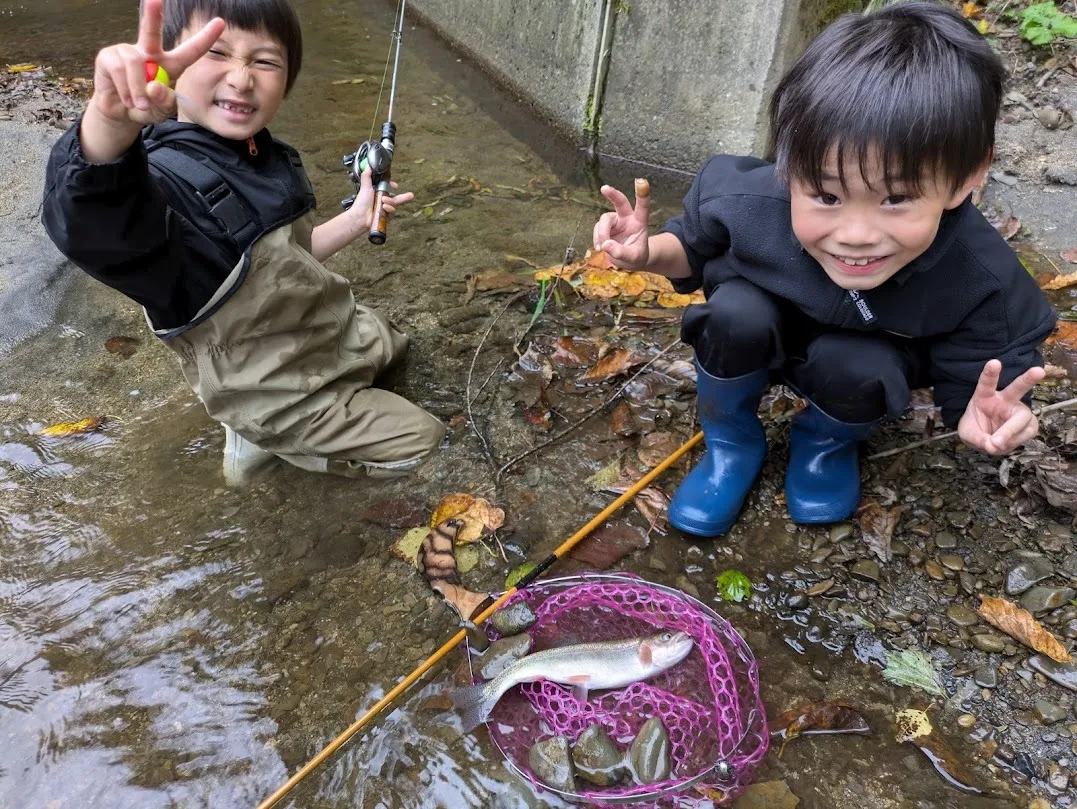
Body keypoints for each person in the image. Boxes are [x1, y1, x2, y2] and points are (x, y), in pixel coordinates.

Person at [593, 2, 1056, 538]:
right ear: (788, 168)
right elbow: (692, 248)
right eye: (826, 196)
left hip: (861, 360)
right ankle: (731, 440)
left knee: (858, 363)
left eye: (897, 198)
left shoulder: (981, 277)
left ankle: (824, 444)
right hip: (762, 330)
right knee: (731, 314)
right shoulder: (747, 198)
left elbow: (982, 374)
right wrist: (647, 253)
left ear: (965, 177)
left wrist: (981, 417)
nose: (856, 234)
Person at [42, 0, 445, 486]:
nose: (240, 78)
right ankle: (265, 439)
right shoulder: (161, 187)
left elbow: (285, 260)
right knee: (428, 443)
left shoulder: (261, 154)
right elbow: (87, 218)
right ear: (170, 65)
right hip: (279, 394)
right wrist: (110, 123)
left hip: (323, 340)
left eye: (265, 60)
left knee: (395, 343)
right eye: (215, 53)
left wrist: (358, 219)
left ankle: (302, 415)